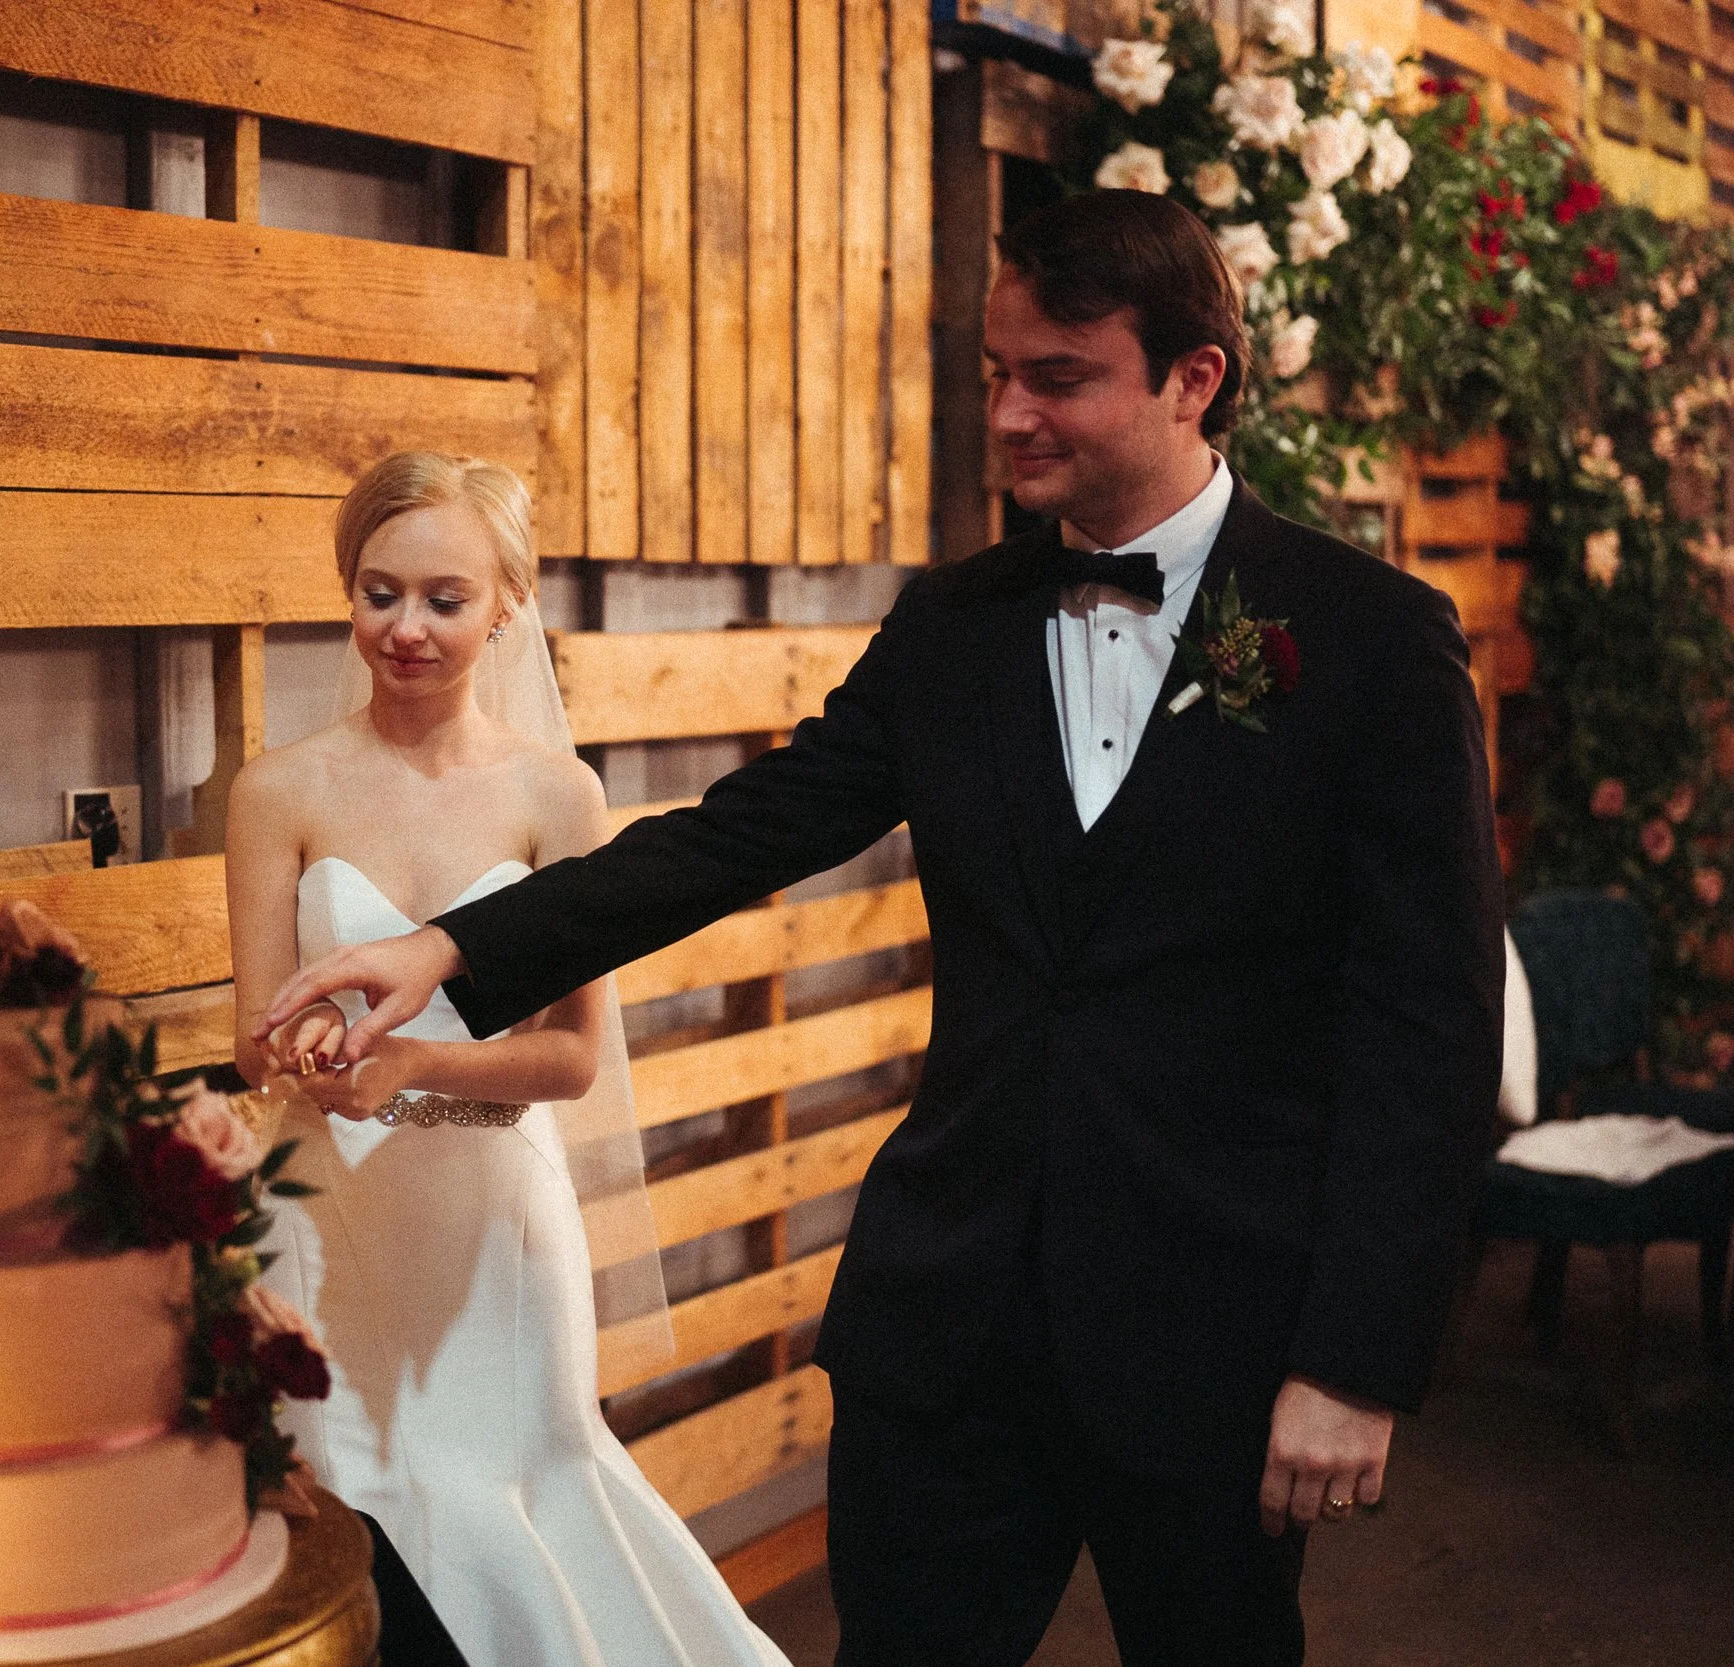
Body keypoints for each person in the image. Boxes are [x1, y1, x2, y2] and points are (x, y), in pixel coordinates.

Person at [256, 191, 1504, 1666]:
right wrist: (455, 951)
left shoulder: (1368, 638)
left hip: (1213, 1334)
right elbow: (737, 834)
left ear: (1194, 378)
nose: (1010, 412)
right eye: (995, 371)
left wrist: (1353, 1359)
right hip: (949, 1323)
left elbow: (1429, 1031)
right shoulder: (952, 626)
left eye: (1059, 376)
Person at [224, 450, 791, 1667]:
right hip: (329, 1215)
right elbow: (252, 1033)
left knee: (516, 1485)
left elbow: (576, 1057)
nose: (407, 629)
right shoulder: (279, 789)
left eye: (444, 598)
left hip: (496, 1215)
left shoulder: (555, 793)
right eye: (380, 593)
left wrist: (409, 1071)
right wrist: (308, 1048)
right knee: (353, 1501)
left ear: (504, 605)